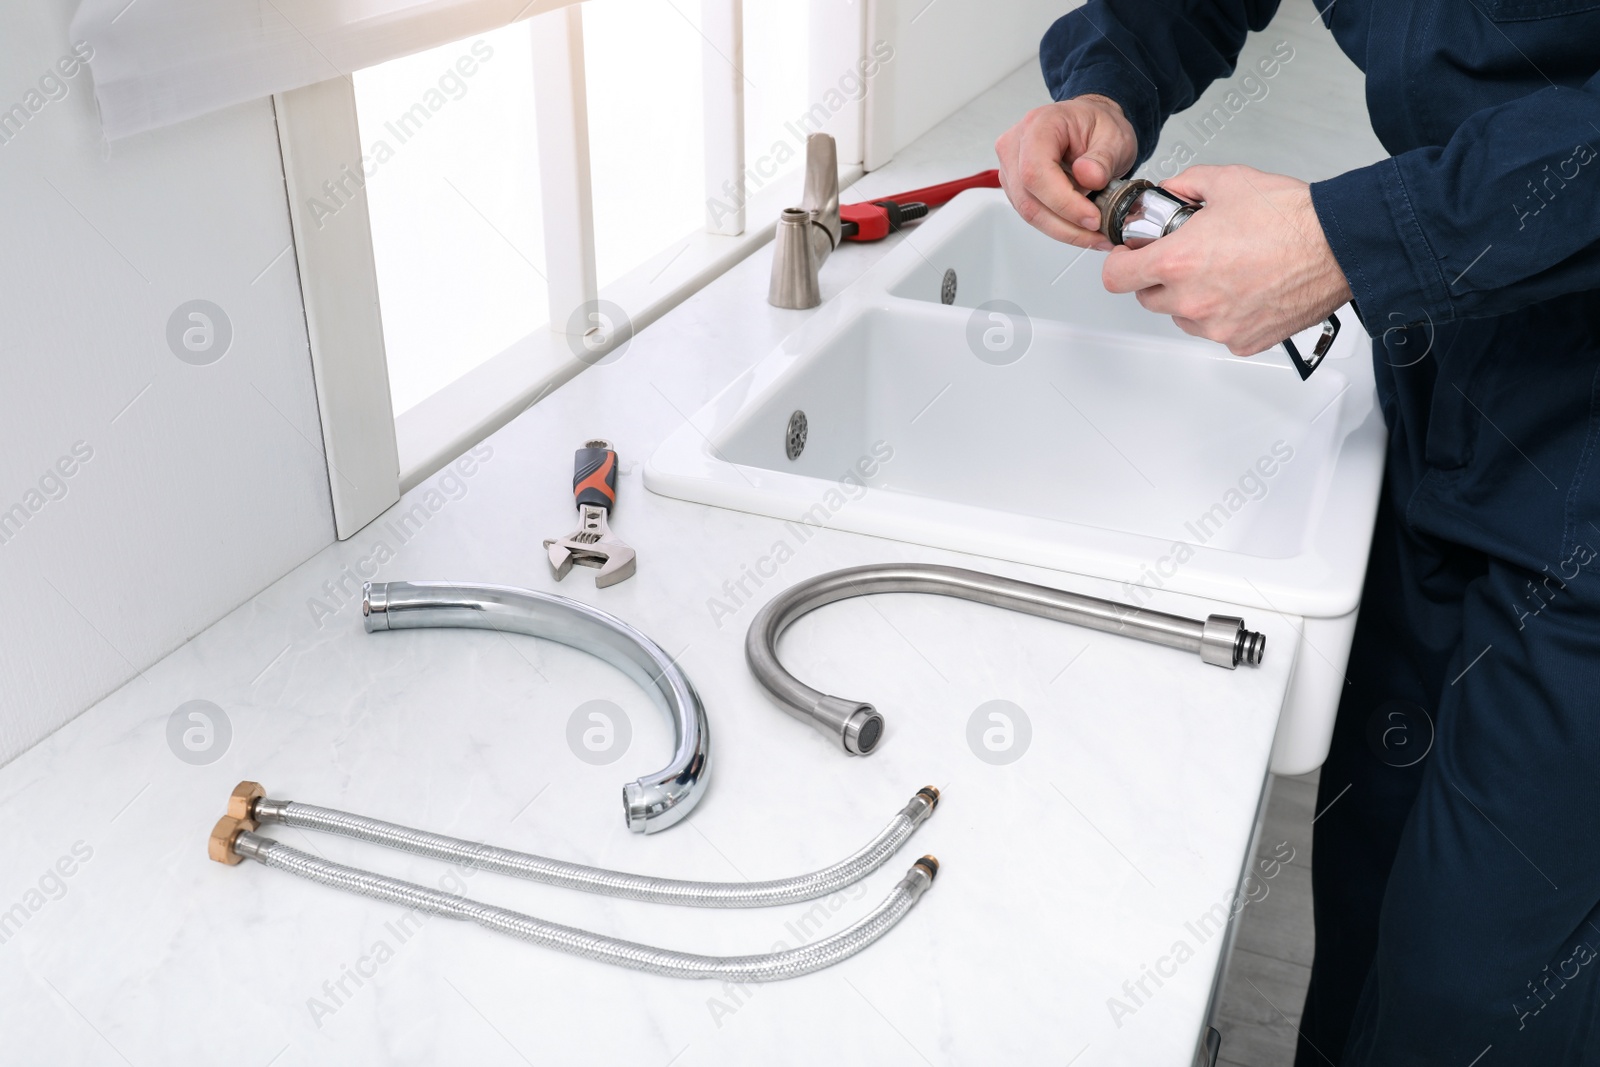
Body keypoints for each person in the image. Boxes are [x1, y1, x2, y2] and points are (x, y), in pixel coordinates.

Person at [995, 2, 1600, 1063]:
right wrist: (1108, 80)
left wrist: (1353, 234)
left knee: (1480, 995)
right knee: (1366, 886)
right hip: (1448, 372)